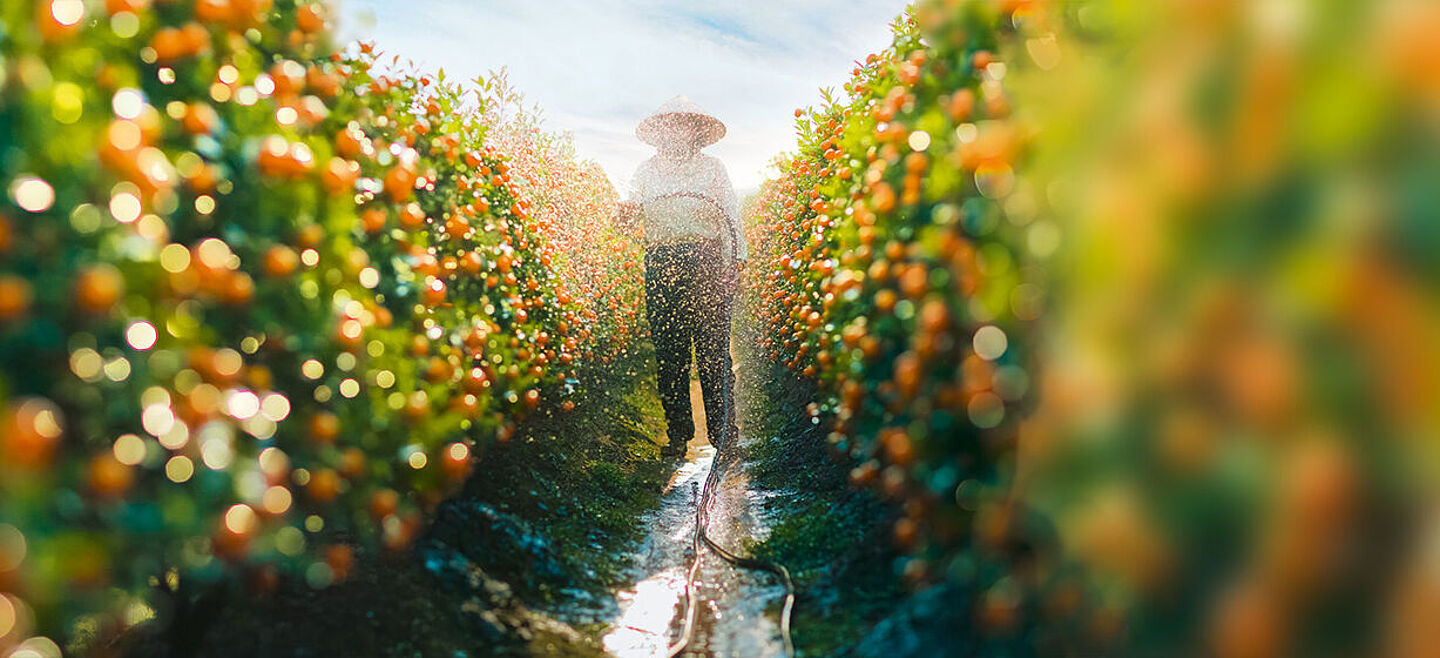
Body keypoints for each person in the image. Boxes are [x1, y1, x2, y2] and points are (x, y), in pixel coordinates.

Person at [615, 96, 746, 457]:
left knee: (713, 352)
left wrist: (735, 262)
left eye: (684, 125)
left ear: (695, 131)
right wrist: (625, 213)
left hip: (705, 260)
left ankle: (724, 436)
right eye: (671, 124)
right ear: (660, 131)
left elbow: (731, 215)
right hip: (662, 262)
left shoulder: (713, 168)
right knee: (670, 353)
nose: (677, 131)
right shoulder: (645, 171)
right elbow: (630, 207)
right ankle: (678, 436)